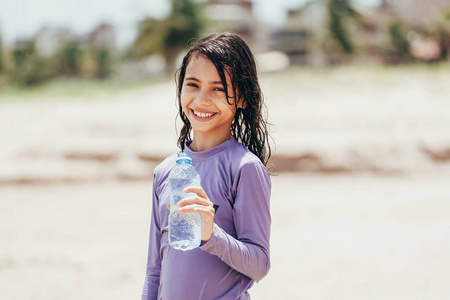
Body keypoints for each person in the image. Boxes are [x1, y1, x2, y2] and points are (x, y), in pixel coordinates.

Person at [142, 32, 272, 300]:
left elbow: (259, 265)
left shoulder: (244, 167)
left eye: (218, 88)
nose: (201, 100)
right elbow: (154, 269)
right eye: (192, 85)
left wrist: (211, 235)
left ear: (243, 98)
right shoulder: (165, 171)